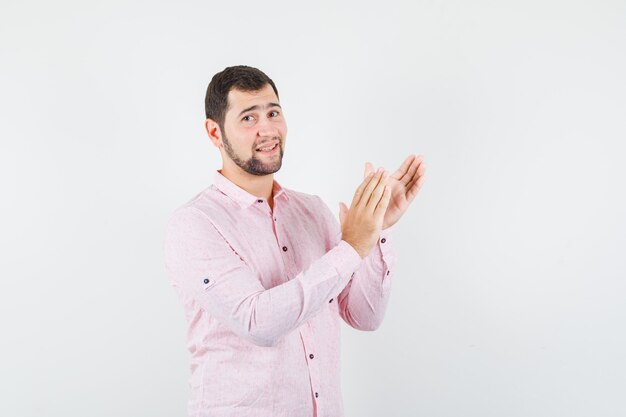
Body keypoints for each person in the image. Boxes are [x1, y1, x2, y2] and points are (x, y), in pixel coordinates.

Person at [164, 65, 426, 417]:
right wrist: (351, 249)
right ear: (215, 133)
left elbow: (364, 316)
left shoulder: (312, 210)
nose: (267, 129)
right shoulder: (195, 224)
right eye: (248, 118)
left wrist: (377, 230)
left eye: (273, 112)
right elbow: (258, 322)